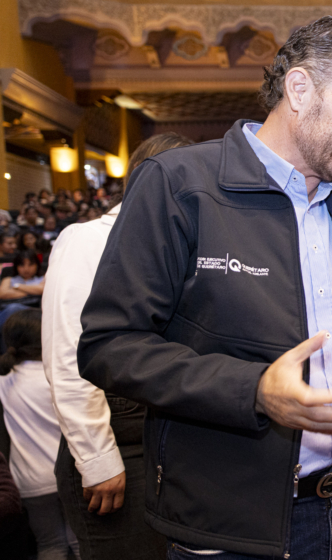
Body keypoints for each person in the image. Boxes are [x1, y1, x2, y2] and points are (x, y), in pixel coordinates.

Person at [76, 17, 332, 559]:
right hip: (236, 524)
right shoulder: (179, 185)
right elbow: (109, 346)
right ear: (299, 90)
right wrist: (255, 390)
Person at [43, 133, 192, 560]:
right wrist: (98, 459)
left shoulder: (177, 239)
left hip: (168, 438)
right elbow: (69, 355)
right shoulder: (86, 239)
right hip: (117, 444)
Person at [0, 309, 80, 560]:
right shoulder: (60, 377)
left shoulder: (4, 382)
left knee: (49, 545)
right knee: (80, 544)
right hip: (70, 473)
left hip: (29, 481)